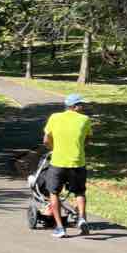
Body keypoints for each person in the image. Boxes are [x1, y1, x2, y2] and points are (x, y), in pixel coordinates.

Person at [42, 93, 92, 238]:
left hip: (58, 162)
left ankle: (60, 228)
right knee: (80, 192)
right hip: (78, 162)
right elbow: (87, 140)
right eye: (81, 104)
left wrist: (54, 148)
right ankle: (82, 218)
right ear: (74, 106)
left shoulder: (54, 117)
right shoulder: (85, 120)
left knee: (54, 193)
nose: (83, 107)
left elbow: (46, 140)